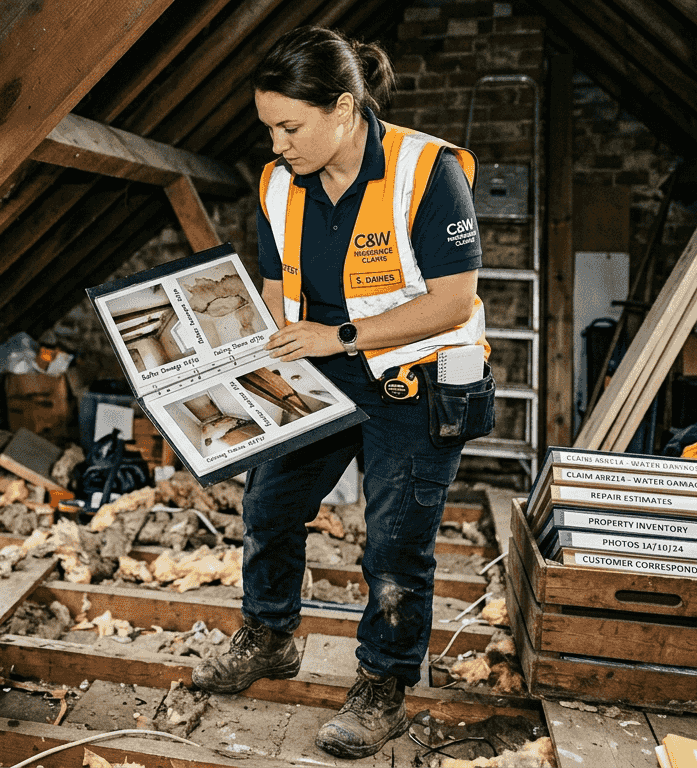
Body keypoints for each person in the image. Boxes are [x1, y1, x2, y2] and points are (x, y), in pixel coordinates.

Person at [189, 26, 495, 759]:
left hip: (416, 378)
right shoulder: (278, 184)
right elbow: (275, 293)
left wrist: (341, 336)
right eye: (268, 128)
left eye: (290, 127)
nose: (277, 145)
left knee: (394, 542)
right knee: (269, 507)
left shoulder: (426, 170)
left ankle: (384, 682)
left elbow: (453, 301)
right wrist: (238, 360)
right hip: (318, 374)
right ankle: (268, 637)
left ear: (345, 109)